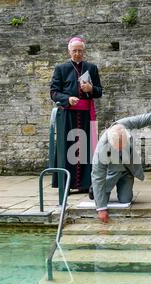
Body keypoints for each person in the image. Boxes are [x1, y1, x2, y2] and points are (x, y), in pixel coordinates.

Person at [91, 101, 151, 223]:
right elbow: (98, 176)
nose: (121, 149)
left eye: (123, 145)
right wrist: (101, 209)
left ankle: (122, 184)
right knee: (102, 200)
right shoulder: (101, 150)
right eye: (117, 147)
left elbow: (149, 117)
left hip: (127, 170)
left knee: (126, 200)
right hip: (111, 172)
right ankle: (94, 191)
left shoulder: (125, 124)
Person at [50, 36, 103, 192]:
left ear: (84, 51)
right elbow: (53, 93)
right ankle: (67, 184)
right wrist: (67, 98)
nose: (78, 54)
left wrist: (91, 89)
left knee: (87, 148)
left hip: (86, 115)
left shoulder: (91, 68)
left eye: (80, 50)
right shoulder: (61, 68)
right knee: (68, 148)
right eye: (75, 51)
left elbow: (99, 91)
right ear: (69, 51)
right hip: (68, 115)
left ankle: (85, 184)